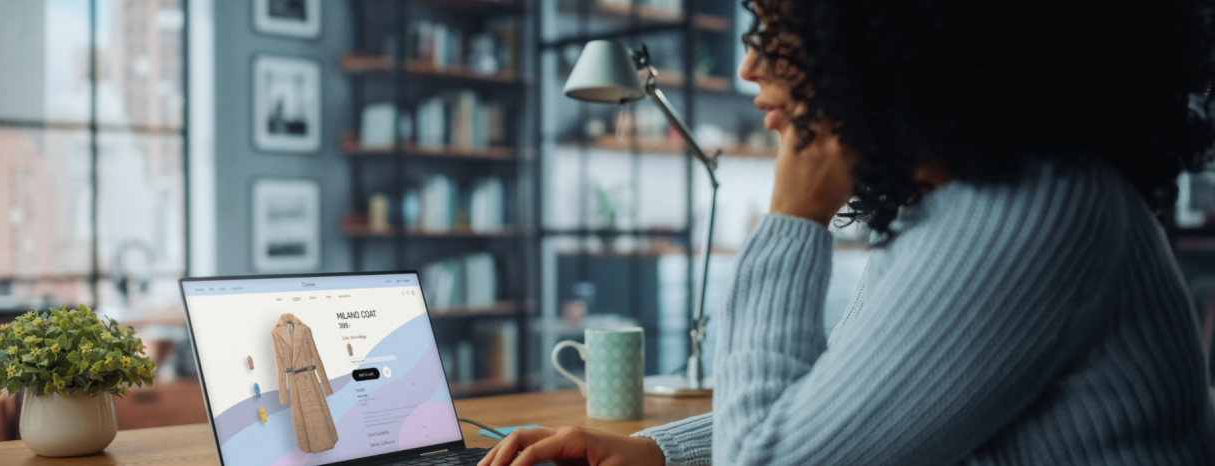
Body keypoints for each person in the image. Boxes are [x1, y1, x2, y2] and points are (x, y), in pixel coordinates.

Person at [480, 0, 1215, 464]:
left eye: (770, 27)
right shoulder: (952, 206)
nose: (746, 65)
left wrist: (793, 215)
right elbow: (846, 414)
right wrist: (654, 453)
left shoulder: (1030, 209)